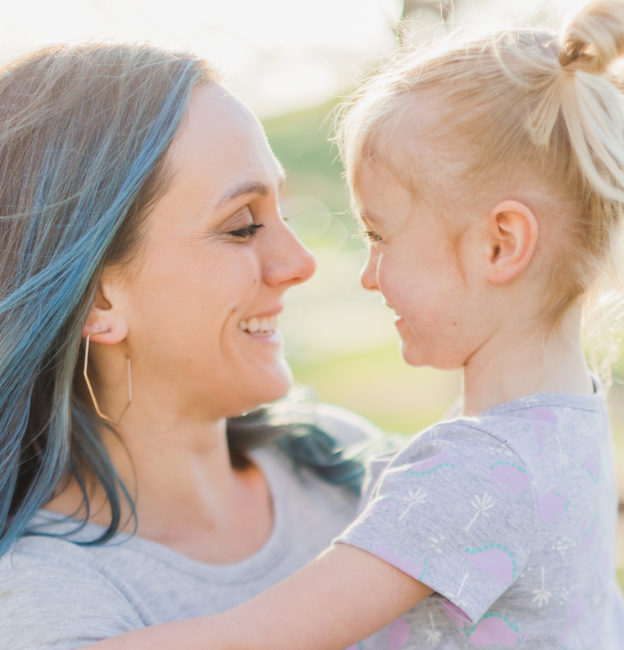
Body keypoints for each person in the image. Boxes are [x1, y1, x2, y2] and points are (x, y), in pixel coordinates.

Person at [86, 0, 624, 648]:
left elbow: (260, 637)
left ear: (500, 244)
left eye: (380, 235)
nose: (368, 274)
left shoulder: (476, 474)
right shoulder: (568, 426)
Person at [0, 43, 386, 649]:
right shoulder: (45, 606)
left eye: (283, 211)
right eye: (242, 226)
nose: (299, 262)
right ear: (99, 302)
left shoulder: (348, 461)